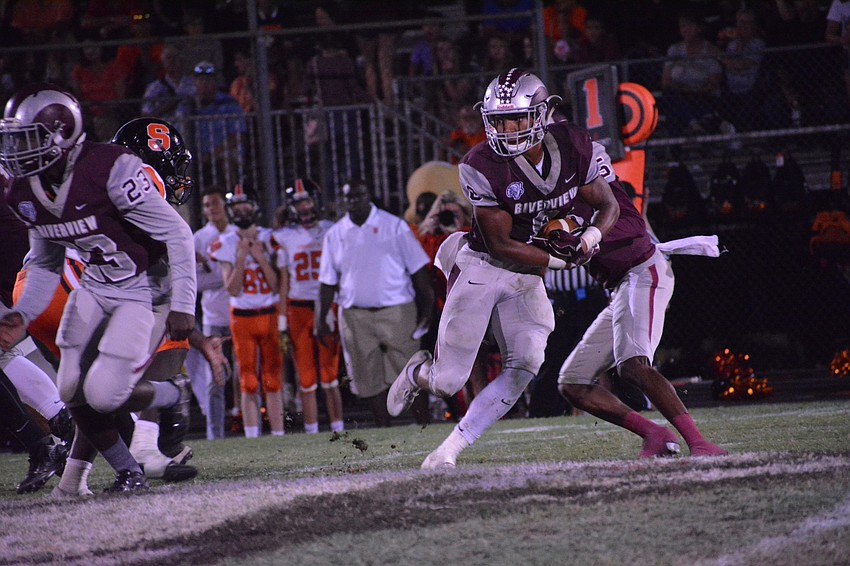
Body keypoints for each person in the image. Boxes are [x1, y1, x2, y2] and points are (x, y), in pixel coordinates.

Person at [388, 68, 724, 468]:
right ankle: (418, 373)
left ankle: (447, 453)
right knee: (467, 382)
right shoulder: (483, 163)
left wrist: (583, 238)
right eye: (500, 120)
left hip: (576, 273)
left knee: (533, 364)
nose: (509, 129)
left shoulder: (577, 156)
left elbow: (610, 211)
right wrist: (558, 252)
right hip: (492, 265)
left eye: (518, 118)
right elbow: (499, 240)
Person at [0, 85, 197, 492]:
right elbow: (42, 261)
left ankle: (161, 405)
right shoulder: (24, 189)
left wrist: (182, 305)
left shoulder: (114, 169)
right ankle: (123, 470)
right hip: (88, 286)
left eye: (28, 138)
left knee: (103, 395)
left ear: (61, 133)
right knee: (73, 391)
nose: (18, 150)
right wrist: (23, 315)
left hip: (133, 289)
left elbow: (177, 236)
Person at [317, 179, 434, 427]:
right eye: (349, 197)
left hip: (397, 310)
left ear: (368, 195)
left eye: (358, 195)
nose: (353, 201)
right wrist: (321, 318)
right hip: (354, 314)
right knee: (366, 377)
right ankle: (384, 430)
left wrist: (427, 308)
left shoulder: (393, 226)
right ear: (342, 200)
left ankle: (425, 426)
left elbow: (418, 271)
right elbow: (327, 281)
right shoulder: (335, 234)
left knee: (410, 371)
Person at [209, 184, 284, 438]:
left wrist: (261, 258)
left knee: (273, 379)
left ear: (255, 208)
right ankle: (253, 436)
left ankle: (278, 434)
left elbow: (276, 284)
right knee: (248, 380)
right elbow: (232, 289)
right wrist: (241, 257)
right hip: (242, 317)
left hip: (269, 313)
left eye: (246, 207)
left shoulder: (269, 237)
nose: (242, 212)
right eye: (237, 208)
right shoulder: (226, 243)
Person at [273, 178, 344, 434]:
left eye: (307, 200)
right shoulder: (283, 236)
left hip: (327, 306)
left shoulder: (331, 229)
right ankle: (312, 431)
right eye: (298, 202)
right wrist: (281, 323)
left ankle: (338, 427)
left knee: (329, 375)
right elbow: (283, 282)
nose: (304, 207)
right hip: (298, 309)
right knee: (306, 378)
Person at [186, 185, 239, 441]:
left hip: (241, 313)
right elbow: (194, 283)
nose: (211, 209)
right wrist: (226, 277)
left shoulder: (237, 232)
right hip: (214, 317)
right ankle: (215, 434)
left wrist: (220, 276)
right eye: (207, 205)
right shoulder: (198, 239)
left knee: (246, 376)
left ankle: (252, 430)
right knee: (215, 378)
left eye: (215, 203)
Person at [660, 11, 724, 136]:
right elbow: (665, 81)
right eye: (682, 26)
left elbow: (714, 84)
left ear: (699, 28)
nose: (685, 30)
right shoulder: (674, 50)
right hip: (680, 95)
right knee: (670, 99)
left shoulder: (709, 50)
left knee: (674, 111)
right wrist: (681, 89)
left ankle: (679, 145)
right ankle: (694, 125)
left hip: (702, 96)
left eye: (689, 26)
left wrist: (692, 90)